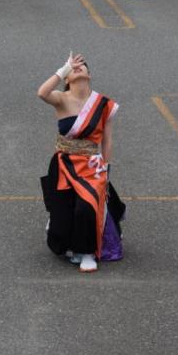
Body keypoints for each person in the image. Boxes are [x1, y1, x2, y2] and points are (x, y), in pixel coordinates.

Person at [35, 53, 126, 273]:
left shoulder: (103, 104)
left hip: (91, 166)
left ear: (89, 74)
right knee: (62, 222)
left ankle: (87, 253)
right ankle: (58, 227)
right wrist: (62, 69)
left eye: (82, 66)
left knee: (85, 209)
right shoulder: (61, 99)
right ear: (67, 79)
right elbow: (42, 93)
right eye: (73, 68)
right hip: (63, 165)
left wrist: (106, 167)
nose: (78, 68)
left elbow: (107, 139)